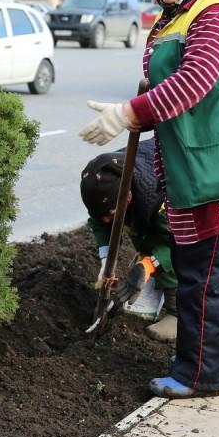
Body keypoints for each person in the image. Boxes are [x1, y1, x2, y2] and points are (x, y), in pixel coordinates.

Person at [79, 0, 219, 399]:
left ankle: (198, 375)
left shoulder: (217, 13)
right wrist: (135, 104)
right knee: (199, 272)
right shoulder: (176, 16)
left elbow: (194, 83)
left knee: (205, 278)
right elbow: (161, 85)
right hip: (194, 170)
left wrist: (128, 113)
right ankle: (217, 358)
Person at [80, 138, 178, 342]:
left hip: (183, 194)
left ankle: (177, 314)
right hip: (145, 200)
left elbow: (177, 242)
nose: (106, 220)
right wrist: (107, 262)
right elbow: (100, 221)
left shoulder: (160, 195)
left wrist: (150, 264)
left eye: (110, 213)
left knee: (170, 249)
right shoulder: (106, 177)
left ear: (129, 196)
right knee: (139, 231)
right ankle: (149, 295)